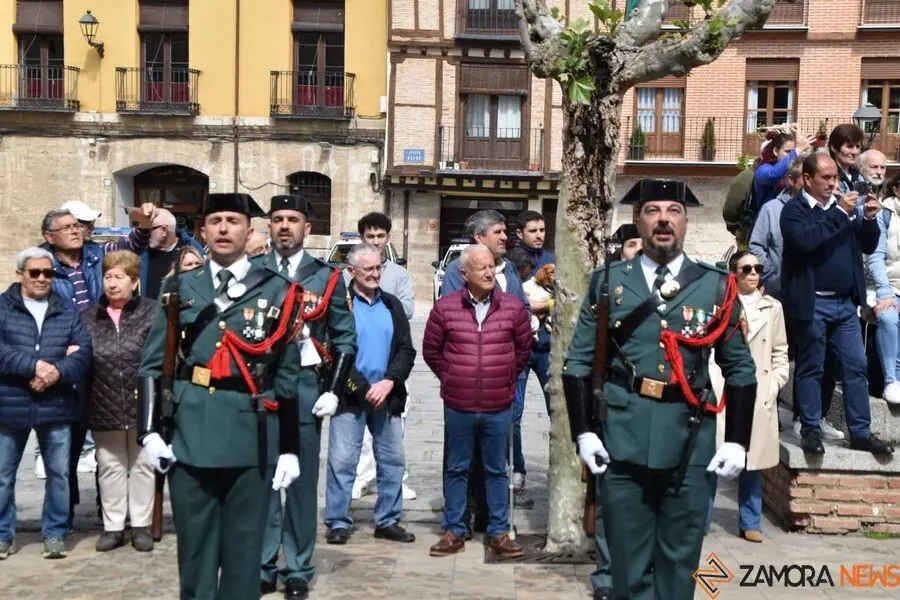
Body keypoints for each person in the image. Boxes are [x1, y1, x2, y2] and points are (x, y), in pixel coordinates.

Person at [564, 179, 757, 599]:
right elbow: (577, 362)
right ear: (638, 220)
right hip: (622, 438)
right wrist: (584, 432)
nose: (664, 219)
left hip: (688, 442)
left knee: (679, 562)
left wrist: (738, 442)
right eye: (653, 210)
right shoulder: (608, 280)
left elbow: (740, 368)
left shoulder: (714, 284)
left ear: (687, 220)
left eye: (674, 210)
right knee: (627, 567)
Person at [138, 193, 304, 599]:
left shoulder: (279, 291)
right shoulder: (180, 287)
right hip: (191, 434)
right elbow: (152, 365)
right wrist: (150, 432)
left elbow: (287, 375)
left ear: (250, 231)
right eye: (216, 221)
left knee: (244, 555)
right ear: (203, 231)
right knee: (194, 553)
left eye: (233, 220)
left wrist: (290, 447)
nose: (225, 228)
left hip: (252, 436)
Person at [259, 194, 356, 600]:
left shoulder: (326, 277)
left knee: (299, 483)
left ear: (307, 229)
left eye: (293, 219)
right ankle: (263, 564)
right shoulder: (252, 273)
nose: (285, 225)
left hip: (303, 390)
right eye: (278, 219)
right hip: (260, 391)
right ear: (269, 226)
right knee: (263, 481)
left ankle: (297, 566)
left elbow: (346, 339)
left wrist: (334, 390)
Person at [41, 202, 158, 522]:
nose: (77, 230)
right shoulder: (42, 264)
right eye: (68, 227)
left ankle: (111, 515)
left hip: (102, 363)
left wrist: (144, 226)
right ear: (50, 237)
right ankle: (61, 517)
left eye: (78, 226)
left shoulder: (96, 256)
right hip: (64, 366)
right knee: (64, 449)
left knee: (108, 449)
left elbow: (130, 248)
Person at [423, 244, 532, 559]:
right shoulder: (445, 308)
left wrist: (507, 376)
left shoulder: (512, 307)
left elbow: (523, 349)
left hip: (499, 405)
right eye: (481, 267)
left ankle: (499, 532)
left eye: (492, 267)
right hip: (459, 404)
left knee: (497, 469)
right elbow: (432, 351)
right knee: (456, 468)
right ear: (463, 273)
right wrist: (453, 376)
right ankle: (454, 529)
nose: (489, 272)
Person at [780, 154, 893, 456]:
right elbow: (806, 241)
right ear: (807, 179)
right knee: (812, 367)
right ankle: (810, 430)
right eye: (825, 178)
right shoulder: (794, 211)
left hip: (845, 306)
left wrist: (868, 218)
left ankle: (860, 432)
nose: (833, 184)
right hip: (811, 303)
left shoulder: (845, 209)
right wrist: (841, 214)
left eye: (834, 178)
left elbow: (867, 246)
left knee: (856, 366)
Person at [0, 248, 91, 560]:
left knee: (59, 474)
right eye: (34, 272)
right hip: (11, 404)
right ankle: (2, 534)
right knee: (3, 474)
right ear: (20, 274)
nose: (41, 278)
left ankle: (54, 532)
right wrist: (33, 366)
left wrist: (55, 374)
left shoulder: (66, 310)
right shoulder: (2, 308)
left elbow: (83, 354)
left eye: (47, 273)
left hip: (55, 402)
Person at [324, 243, 416, 545]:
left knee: (392, 461)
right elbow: (335, 351)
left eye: (379, 268)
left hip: (387, 396)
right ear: (352, 271)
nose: (376, 274)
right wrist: (364, 388)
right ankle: (338, 520)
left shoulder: (391, 304)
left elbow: (406, 349)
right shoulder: (340, 303)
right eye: (369, 269)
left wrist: (389, 382)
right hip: (351, 397)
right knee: (342, 461)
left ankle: (388, 520)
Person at [708, 251, 789, 543]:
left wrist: (774, 384)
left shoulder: (773, 307)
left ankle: (750, 521)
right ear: (734, 273)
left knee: (752, 460)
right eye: (747, 268)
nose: (754, 273)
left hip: (758, 390)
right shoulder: (720, 302)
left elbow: (781, 352)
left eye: (758, 268)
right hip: (722, 386)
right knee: (713, 455)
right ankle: (701, 519)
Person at [82, 251, 157, 552]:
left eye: (119, 277)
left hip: (143, 400)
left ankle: (141, 525)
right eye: (108, 277)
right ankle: (113, 526)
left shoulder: (152, 312)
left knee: (142, 464)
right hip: (104, 398)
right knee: (109, 465)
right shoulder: (89, 316)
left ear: (134, 282)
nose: (112, 284)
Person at [342, 212, 417, 503]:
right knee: (358, 430)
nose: (375, 241)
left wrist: (380, 296)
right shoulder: (347, 273)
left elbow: (407, 309)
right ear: (362, 238)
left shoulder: (399, 275)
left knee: (394, 427)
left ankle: (396, 480)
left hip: (390, 360)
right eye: (369, 236)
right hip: (360, 364)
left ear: (388, 237)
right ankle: (362, 478)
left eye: (380, 236)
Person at [749, 157, 803, 300]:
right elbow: (756, 246)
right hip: (779, 294)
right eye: (806, 177)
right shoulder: (771, 209)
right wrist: (772, 277)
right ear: (792, 180)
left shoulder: (822, 208)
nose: (812, 182)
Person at [867, 173, 900, 404]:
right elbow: (875, 259)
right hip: (885, 285)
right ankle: (891, 381)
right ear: (897, 190)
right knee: (888, 318)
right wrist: (886, 292)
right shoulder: (884, 215)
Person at [140, 208, 204, 299]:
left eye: (150, 229)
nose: (146, 233)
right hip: (147, 311)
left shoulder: (192, 246)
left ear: (164, 231)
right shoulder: (142, 251)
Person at [752, 130, 815, 209]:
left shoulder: (791, 172)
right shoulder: (763, 169)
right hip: (769, 216)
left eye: (792, 151)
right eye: (788, 151)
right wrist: (797, 150)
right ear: (775, 151)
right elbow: (774, 174)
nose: (791, 155)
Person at [828, 124, 865, 194]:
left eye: (857, 146)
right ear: (834, 148)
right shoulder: (828, 177)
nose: (855, 152)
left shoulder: (859, 176)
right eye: (850, 146)